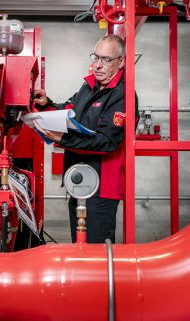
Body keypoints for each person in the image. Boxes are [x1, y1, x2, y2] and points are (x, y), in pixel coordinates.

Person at [33, 34, 138, 244]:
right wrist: (46, 105)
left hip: (101, 190)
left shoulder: (122, 95)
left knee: (96, 250)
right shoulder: (88, 87)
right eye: (95, 57)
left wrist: (64, 140)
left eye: (106, 60)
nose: (98, 65)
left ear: (122, 62)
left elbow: (107, 142)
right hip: (78, 181)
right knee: (79, 248)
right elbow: (68, 111)